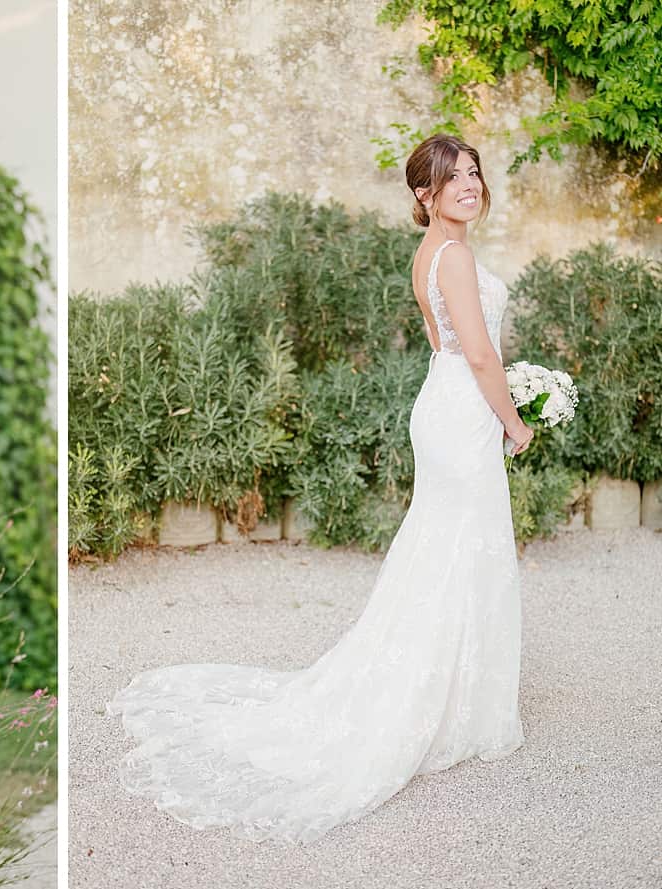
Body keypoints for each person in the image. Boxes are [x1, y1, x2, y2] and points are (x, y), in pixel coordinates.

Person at [106, 133, 530, 843]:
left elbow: (453, 348)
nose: (471, 185)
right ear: (424, 195)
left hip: (445, 403)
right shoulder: (452, 255)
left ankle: (454, 693)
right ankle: (439, 701)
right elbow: (481, 354)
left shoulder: (431, 254)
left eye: (475, 173)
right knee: (462, 547)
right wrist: (515, 421)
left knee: (447, 547)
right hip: (465, 411)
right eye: (454, 177)